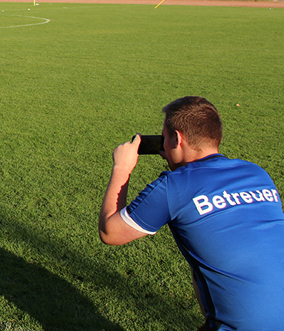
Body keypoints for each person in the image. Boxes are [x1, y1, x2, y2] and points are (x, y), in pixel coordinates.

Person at [99, 96, 284, 331]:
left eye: (164, 138)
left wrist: (122, 168)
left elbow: (110, 232)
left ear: (177, 139)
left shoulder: (173, 187)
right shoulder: (257, 173)